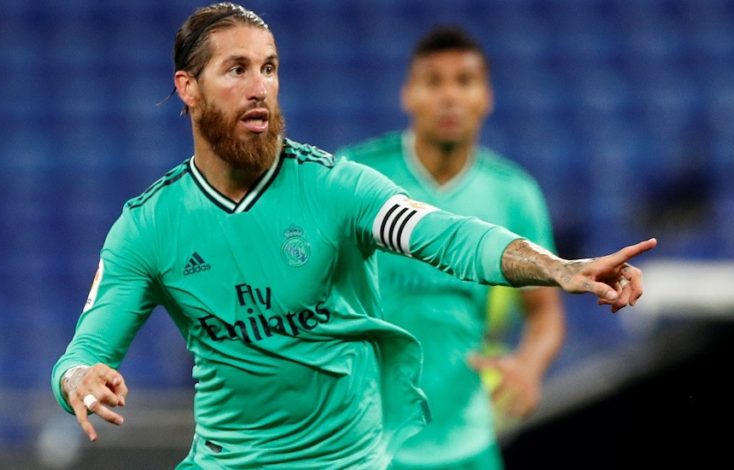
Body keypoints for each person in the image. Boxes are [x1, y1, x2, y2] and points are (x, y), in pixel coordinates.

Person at [50, 3, 656, 468]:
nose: (260, 86)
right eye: (237, 69)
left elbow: (448, 236)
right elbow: (82, 353)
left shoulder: (336, 188)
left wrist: (559, 268)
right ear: (188, 88)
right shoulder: (149, 225)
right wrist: (79, 379)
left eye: (269, 68)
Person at [336, 26, 566, 469]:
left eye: (464, 81)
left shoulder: (513, 194)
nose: (449, 97)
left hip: (469, 442)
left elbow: (545, 313)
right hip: (368, 444)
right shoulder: (356, 175)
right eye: (433, 81)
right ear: (408, 95)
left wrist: (530, 365)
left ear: (486, 97)